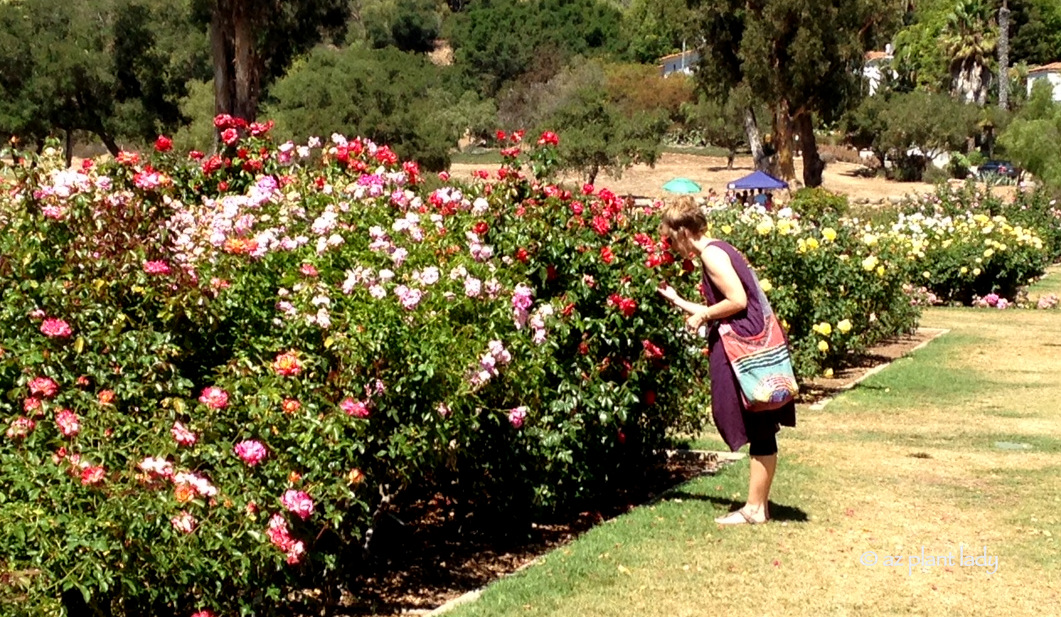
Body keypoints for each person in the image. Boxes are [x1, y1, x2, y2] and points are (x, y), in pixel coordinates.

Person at [656, 197, 796, 525]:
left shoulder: (711, 255)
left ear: (683, 232)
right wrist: (680, 301)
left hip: (743, 348)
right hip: (748, 341)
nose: (673, 246)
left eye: (671, 237)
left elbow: (737, 300)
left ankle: (754, 509)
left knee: (755, 421)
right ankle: (757, 507)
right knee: (760, 423)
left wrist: (703, 314)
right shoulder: (720, 249)